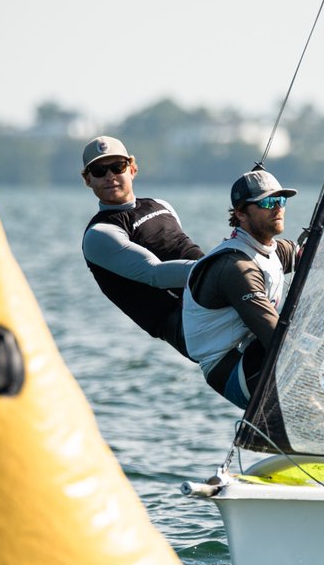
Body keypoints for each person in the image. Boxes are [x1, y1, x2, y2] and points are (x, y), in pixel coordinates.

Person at [182, 168, 299, 408]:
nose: (277, 208)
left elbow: (311, 254)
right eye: (267, 202)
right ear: (241, 214)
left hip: (254, 353)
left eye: (281, 200)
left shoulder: (272, 250)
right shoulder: (236, 267)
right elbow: (274, 337)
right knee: (295, 337)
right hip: (232, 371)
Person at [80, 135, 204, 359]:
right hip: (182, 322)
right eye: (99, 171)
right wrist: (219, 270)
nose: (110, 176)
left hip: (212, 293)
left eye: (117, 167)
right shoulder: (99, 233)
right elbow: (155, 273)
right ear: (87, 179)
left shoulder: (161, 205)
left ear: (133, 168)